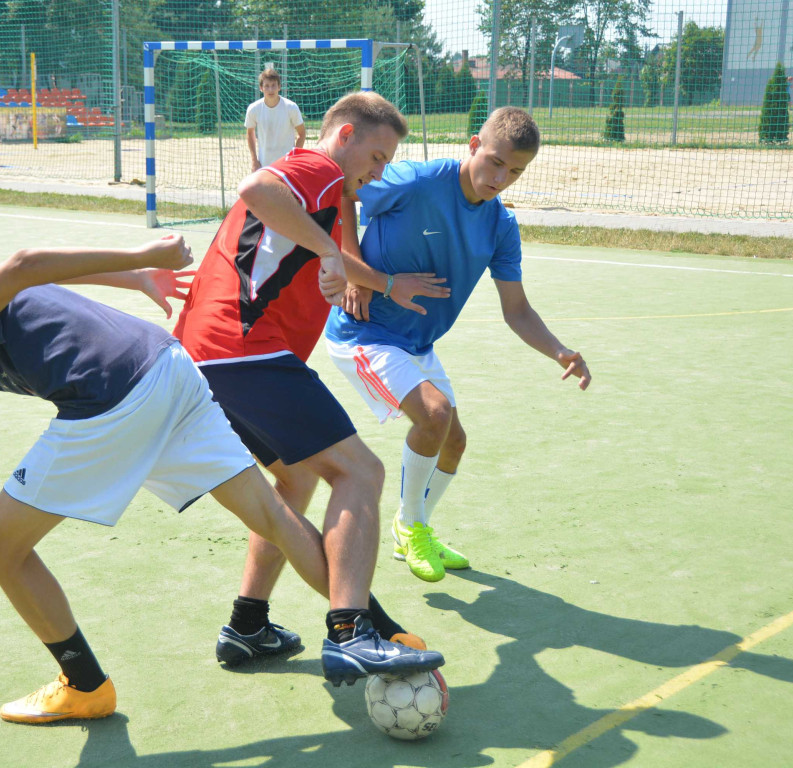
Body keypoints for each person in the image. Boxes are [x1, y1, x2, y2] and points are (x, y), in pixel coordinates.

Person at [0, 236, 443, 722]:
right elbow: (24, 281)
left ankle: (85, 686)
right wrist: (133, 277)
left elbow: (25, 264)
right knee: (272, 517)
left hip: (111, 394)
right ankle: (377, 635)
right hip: (167, 366)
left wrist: (143, 254)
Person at [174, 92, 450, 676]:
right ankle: (350, 631)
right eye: (376, 157)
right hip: (244, 350)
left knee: (295, 477)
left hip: (209, 354)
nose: (378, 172)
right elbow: (256, 190)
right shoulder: (318, 168)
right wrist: (329, 248)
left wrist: (382, 283)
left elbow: (314, 248)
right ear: (344, 136)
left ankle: (247, 623)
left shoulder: (320, 195)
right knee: (361, 472)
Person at [324, 106, 592, 582]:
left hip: (417, 343)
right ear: (473, 145)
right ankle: (410, 529)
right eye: (495, 162)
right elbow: (346, 190)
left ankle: (415, 527)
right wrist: (356, 268)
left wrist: (559, 350)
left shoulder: (501, 227)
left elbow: (518, 311)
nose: (501, 178)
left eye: (515, 171)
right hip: (365, 332)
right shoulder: (417, 180)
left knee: (454, 442)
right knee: (435, 415)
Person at [244, 67, 305, 172]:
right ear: (261, 88)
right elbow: (250, 134)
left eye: (273, 85)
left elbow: (302, 134)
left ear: (279, 87)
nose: (270, 90)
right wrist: (254, 161)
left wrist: (294, 158)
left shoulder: (291, 107)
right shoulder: (253, 109)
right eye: (267, 86)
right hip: (264, 166)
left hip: (287, 166)